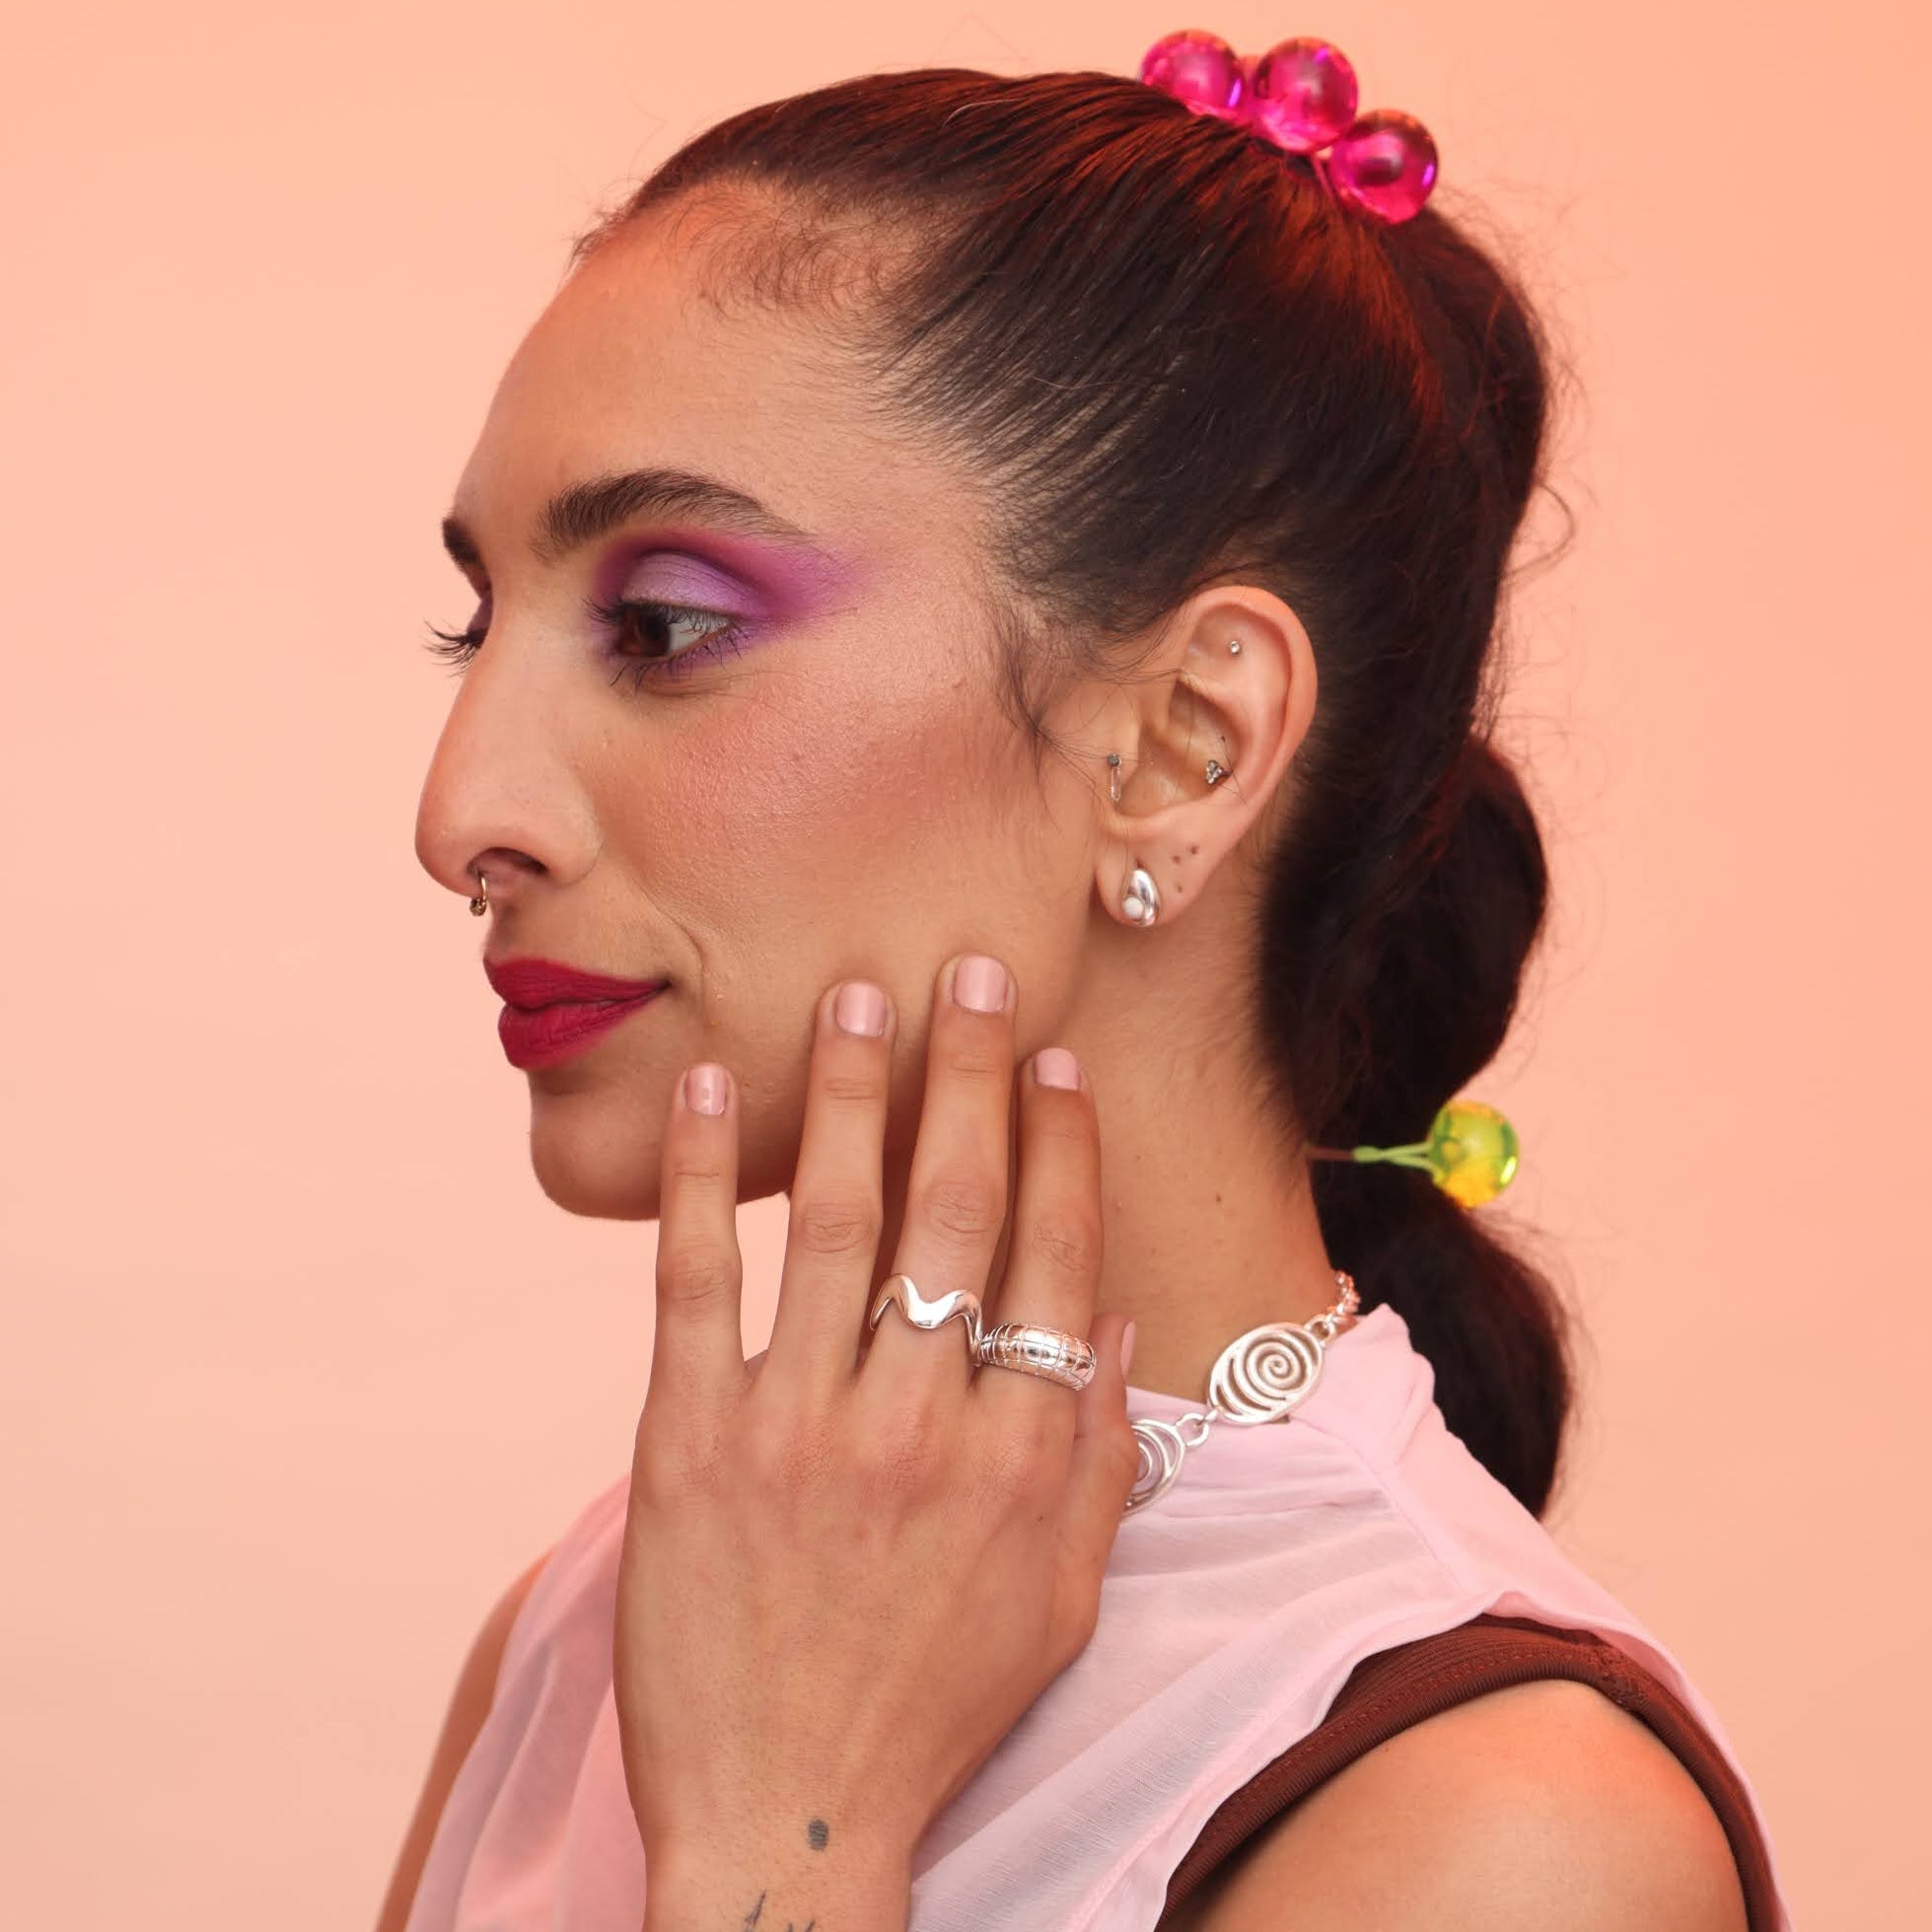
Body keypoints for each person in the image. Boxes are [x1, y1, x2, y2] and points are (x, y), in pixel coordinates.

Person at [382, 42, 1792, 1932]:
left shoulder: (1499, 1826)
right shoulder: (602, 1627)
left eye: (663, 626)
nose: (461, 809)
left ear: (1185, 750)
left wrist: (780, 1841)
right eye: (481, 624)